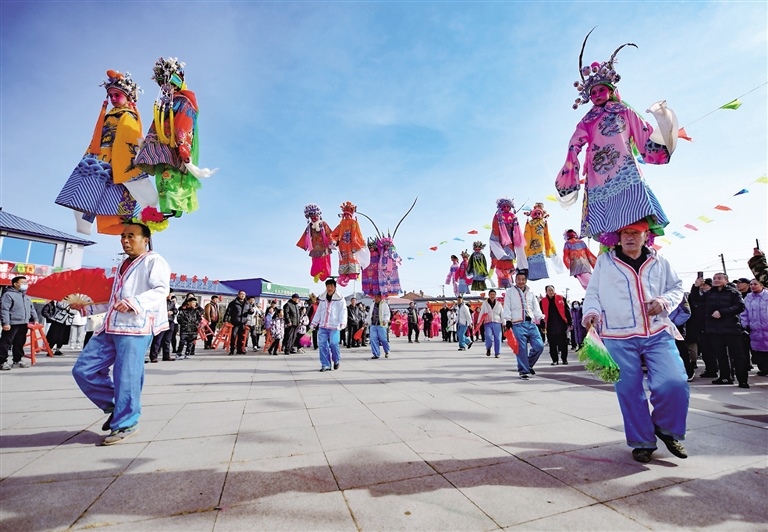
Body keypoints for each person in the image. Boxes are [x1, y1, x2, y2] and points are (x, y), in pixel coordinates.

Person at [582, 219, 688, 463]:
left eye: (636, 233)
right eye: (625, 233)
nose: (630, 237)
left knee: (674, 381)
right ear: (618, 237)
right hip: (617, 334)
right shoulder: (605, 262)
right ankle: (642, 441)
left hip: (657, 331)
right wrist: (591, 312)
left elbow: (677, 288)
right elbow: (593, 292)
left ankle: (665, 428)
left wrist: (664, 301)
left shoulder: (660, 261)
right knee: (629, 390)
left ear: (646, 235)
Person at [555, 33, 674, 245]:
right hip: (598, 172)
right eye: (593, 93)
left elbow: (642, 131)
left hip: (625, 165)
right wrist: (572, 164)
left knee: (635, 206)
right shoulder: (587, 120)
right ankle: (610, 243)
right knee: (607, 222)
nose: (597, 95)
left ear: (611, 91)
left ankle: (640, 239)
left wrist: (662, 131)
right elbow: (574, 143)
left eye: (601, 90)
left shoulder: (623, 111)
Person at [72, 222, 171, 445]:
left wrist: (134, 302)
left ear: (146, 239)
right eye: (123, 236)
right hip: (111, 325)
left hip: (135, 327)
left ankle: (127, 423)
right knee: (83, 369)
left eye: (131, 236)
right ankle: (117, 407)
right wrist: (87, 308)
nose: (125, 240)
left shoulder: (154, 261)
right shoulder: (121, 265)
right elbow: (113, 299)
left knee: (126, 377)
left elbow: (161, 290)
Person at [55, 70, 156, 236]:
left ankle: (127, 226)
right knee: (92, 191)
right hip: (101, 159)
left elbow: (130, 139)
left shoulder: (128, 115)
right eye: (111, 96)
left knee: (114, 194)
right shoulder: (111, 115)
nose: (113, 99)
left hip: (117, 159)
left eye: (117, 95)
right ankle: (93, 223)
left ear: (128, 97)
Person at [135, 57, 215, 216]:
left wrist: (183, 147)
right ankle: (166, 211)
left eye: (168, 84)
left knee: (171, 182)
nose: (165, 88)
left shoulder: (183, 101)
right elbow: (155, 125)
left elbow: (182, 126)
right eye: (162, 85)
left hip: (174, 149)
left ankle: (172, 210)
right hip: (161, 149)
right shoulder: (166, 103)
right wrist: (146, 145)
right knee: (163, 182)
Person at [700, 273, 748, 388]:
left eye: (719, 278)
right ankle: (725, 377)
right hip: (714, 329)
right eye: (714, 278)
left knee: (737, 355)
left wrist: (722, 312)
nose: (716, 280)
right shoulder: (709, 293)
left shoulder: (733, 292)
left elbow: (740, 306)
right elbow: (697, 301)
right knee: (720, 354)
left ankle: (742, 380)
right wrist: (696, 287)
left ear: (726, 280)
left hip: (731, 328)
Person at [503, 271, 545, 378]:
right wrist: (508, 320)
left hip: (531, 323)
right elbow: (506, 306)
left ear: (526, 281)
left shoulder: (531, 293)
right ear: (515, 280)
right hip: (517, 323)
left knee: (539, 346)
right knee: (521, 348)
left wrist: (541, 318)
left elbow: (536, 308)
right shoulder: (510, 292)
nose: (521, 281)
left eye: (523, 279)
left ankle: (528, 364)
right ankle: (523, 371)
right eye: (518, 279)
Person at [0, 276, 38, 370]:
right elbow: (4, 309)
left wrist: (35, 318)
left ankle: (17, 360)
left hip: (23, 323)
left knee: (19, 343)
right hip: (12, 323)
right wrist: (6, 323)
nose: (25, 284)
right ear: (15, 284)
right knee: (6, 343)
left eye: (26, 282)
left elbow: (31, 308)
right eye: (23, 282)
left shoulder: (26, 295)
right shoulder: (8, 295)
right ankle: (2, 361)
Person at [309, 278, 347, 372]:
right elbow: (318, 312)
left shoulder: (340, 299)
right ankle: (325, 364)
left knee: (334, 344)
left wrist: (342, 323)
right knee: (322, 345)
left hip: (335, 326)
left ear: (335, 287)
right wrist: (314, 323)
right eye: (328, 286)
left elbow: (343, 311)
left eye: (331, 286)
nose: (329, 288)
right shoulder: (322, 299)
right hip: (323, 326)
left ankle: (336, 360)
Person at [741, 279, 768, 376]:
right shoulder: (748, 298)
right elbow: (743, 313)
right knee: (758, 349)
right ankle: (763, 368)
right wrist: (745, 325)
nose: (752, 286)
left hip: (766, 327)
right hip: (754, 329)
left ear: (761, 285)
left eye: (755, 284)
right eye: (751, 284)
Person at [541, 285, 572, 365]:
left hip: (561, 324)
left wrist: (570, 322)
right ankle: (555, 360)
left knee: (563, 343)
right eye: (549, 290)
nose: (551, 292)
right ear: (546, 292)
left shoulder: (561, 298)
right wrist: (542, 325)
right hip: (550, 326)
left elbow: (567, 311)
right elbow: (541, 314)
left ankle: (564, 359)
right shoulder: (542, 301)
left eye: (552, 290)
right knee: (552, 344)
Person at [149, 292, 177, 362]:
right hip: (161, 321)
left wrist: (172, 312)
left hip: (170, 322)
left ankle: (166, 356)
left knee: (167, 340)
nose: (170, 296)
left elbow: (175, 310)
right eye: (169, 294)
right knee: (158, 340)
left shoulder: (171, 302)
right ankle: (153, 356)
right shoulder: (159, 302)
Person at [225, 291, 253, 355]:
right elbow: (228, 312)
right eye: (241, 294)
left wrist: (251, 311)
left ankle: (239, 350)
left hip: (243, 322)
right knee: (233, 336)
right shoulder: (233, 303)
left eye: (244, 294)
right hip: (235, 322)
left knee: (241, 337)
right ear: (238, 295)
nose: (243, 295)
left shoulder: (247, 303)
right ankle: (232, 350)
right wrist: (225, 320)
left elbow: (250, 311)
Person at [481, 289, 505, 358]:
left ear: (495, 295)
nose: (492, 296)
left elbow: (502, 313)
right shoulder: (485, 303)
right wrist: (479, 322)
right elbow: (481, 312)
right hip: (487, 322)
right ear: (489, 295)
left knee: (498, 338)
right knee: (488, 336)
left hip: (497, 322)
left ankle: (497, 353)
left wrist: (504, 322)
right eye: (491, 294)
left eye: (493, 294)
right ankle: (488, 347)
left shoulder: (499, 304)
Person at [366, 293, 391, 359]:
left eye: (378, 297)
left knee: (383, 339)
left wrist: (385, 320)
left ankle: (387, 351)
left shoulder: (385, 305)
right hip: (373, 325)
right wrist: (366, 321)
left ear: (380, 297)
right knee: (373, 339)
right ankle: (376, 354)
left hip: (381, 325)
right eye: (375, 297)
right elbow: (369, 315)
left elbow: (387, 314)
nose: (376, 298)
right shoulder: (372, 305)